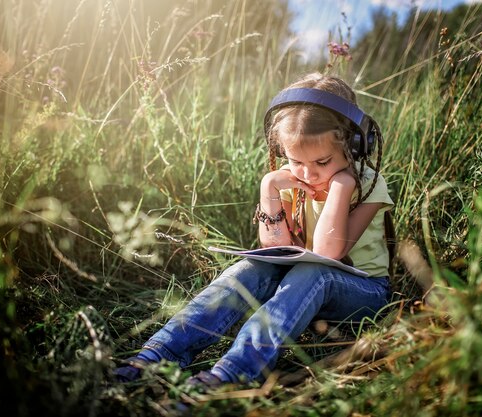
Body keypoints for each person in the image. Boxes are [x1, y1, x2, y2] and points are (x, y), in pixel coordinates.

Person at [113, 72, 394, 388]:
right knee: (251, 266)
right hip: (301, 287)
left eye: (323, 161)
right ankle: (156, 354)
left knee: (314, 273)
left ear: (356, 145)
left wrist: (341, 186)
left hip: (363, 293)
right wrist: (270, 187)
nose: (308, 173)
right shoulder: (290, 178)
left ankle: (233, 374)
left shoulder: (368, 184)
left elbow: (329, 253)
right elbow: (276, 248)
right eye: (295, 161)